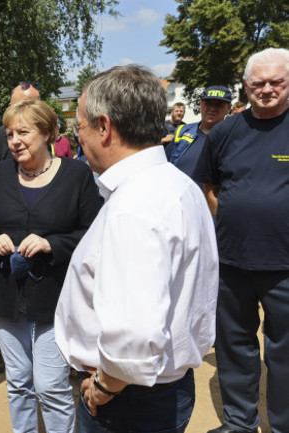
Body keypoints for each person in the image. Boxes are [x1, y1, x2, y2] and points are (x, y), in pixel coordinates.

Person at [54, 65, 218, 433]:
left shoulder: (134, 206)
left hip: (126, 400)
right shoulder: (178, 185)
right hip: (158, 391)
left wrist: (101, 388)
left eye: (79, 128)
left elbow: (134, 337)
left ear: (104, 127)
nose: (78, 138)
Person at [0, 99, 102, 433]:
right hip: (5, 296)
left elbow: (94, 233)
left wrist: (52, 244)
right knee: (17, 383)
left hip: (56, 298)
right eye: (9, 134)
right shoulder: (1, 173)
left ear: (47, 132)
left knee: (50, 386)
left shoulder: (76, 174)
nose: (14, 140)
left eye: (23, 132)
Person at [193, 48, 289, 433]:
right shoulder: (227, 131)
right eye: (258, 83)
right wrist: (232, 226)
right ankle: (239, 423)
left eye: (276, 82)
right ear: (245, 86)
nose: (266, 89)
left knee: (284, 354)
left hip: (285, 266)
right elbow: (210, 186)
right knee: (234, 350)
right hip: (232, 264)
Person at [0, 81, 41, 374]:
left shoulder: (42, 138)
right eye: (20, 104)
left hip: (35, 234)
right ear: (9, 106)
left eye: (34, 103)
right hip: (1, 236)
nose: (27, 110)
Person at [165, 85, 232, 179]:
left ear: (228, 108)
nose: (212, 109)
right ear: (201, 105)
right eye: (208, 103)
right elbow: (166, 163)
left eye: (219, 104)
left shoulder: (233, 138)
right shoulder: (182, 131)